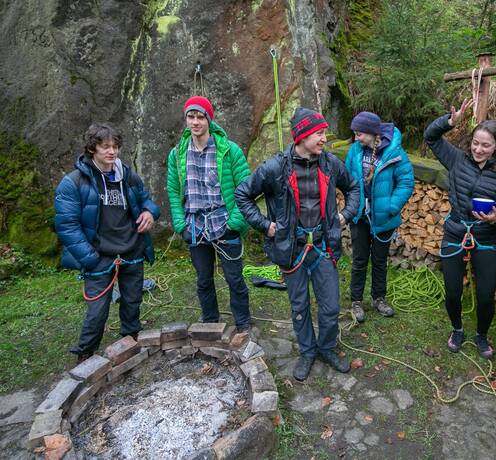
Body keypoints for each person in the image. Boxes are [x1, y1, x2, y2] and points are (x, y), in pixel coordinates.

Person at [235, 107, 359, 381]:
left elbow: (353, 187)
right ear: (301, 136)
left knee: (330, 306)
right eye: (319, 133)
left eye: (324, 133)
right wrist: (265, 225)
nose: (324, 138)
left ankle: (326, 348)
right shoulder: (275, 168)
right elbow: (242, 194)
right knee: (299, 305)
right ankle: (307, 351)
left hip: (323, 247)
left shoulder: (329, 163)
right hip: (291, 249)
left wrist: (344, 215)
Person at [55, 123, 160, 362]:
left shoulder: (127, 175)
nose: (111, 152)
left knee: (132, 301)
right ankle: (86, 353)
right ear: (93, 149)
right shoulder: (73, 182)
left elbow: (146, 200)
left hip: (132, 250)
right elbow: (66, 226)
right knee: (97, 311)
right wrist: (90, 258)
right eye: (105, 147)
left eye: (115, 146)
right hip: (99, 255)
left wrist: (149, 213)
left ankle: (131, 340)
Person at [424, 99, 496, 359]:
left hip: (486, 236)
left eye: (486, 145)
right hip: (455, 231)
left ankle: (482, 335)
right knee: (453, 292)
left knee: (486, 296)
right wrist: (449, 122)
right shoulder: (457, 159)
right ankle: (457, 329)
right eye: (476, 142)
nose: (478, 149)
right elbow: (430, 137)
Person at [167, 96, 252, 330]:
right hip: (195, 226)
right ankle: (210, 323)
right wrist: (180, 225)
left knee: (234, 278)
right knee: (204, 279)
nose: (195, 122)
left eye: (200, 117)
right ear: (185, 120)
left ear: (209, 119)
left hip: (224, 222)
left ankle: (244, 324)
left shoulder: (229, 150)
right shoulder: (177, 154)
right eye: (190, 117)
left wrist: (235, 222)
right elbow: (174, 191)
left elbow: (246, 188)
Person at [344, 111, 414, 322]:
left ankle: (378, 298)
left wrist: (391, 206)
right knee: (359, 259)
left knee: (380, 260)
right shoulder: (355, 151)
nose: (356, 138)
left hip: (383, 216)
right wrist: (353, 205)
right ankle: (356, 301)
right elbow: (347, 180)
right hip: (360, 217)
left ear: (373, 132)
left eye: (359, 134)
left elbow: (406, 182)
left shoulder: (394, 151)